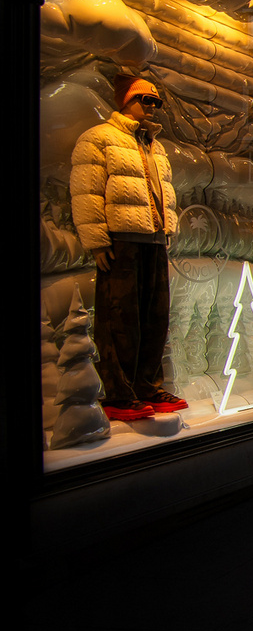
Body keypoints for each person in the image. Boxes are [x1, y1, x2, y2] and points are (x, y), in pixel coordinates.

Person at [71, 77, 184, 422]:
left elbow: (163, 189)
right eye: (144, 99)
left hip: (153, 238)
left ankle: (146, 385)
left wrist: (169, 227)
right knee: (119, 317)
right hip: (121, 239)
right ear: (124, 100)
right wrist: (97, 240)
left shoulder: (155, 145)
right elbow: (86, 190)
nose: (151, 106)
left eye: (156, 102)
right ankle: (120, 394)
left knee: (155, 316)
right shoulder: (99, 138)